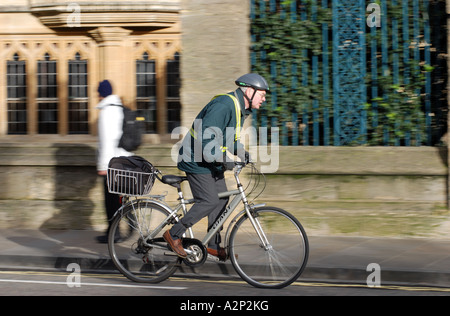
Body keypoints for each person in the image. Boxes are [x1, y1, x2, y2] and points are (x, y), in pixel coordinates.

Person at [163, 73, 269, 260]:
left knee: (221, 199)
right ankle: (174, 234)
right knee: (208, 200)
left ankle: (212, 243)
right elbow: (206, 141)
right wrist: (225, 160)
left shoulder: (239, 109)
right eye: (262, 94)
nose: (264, 98)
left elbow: (230, 138)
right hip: (195, 159)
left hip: (210, 160)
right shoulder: (223, 105)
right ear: (250, 92)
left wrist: (242, 152)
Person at [96, 80, 133, 243]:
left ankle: (113, 232)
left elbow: (106, 140)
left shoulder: (106, 112)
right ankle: (129, 224)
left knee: (110, 200)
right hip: (125, 159)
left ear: (101, 94)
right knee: (120, 196)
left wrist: (103, 166)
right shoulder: (120, 108)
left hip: (112, 163)